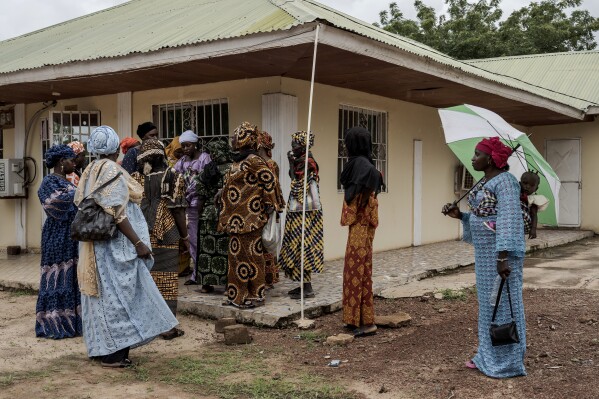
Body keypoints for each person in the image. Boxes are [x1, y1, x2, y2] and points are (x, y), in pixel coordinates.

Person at [75, 126, 178, 368]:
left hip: (95, 246)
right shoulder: (111, 169)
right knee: (119, 297)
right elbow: (117, 213)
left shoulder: (90, 169)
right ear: (114, 149)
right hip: (113, 247)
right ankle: (115, 354)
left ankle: (102, 348)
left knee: (101, 298)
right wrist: (139, 243)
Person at [442, 137, 526, 378]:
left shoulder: (507, 183)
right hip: (485, 256)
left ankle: (507, 362)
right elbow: (483, 219)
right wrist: (460, 216)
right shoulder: (484, 181)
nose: (472, 158)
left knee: (505, 306)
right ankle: (487, 355)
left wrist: (503, 258)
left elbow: (508, 221)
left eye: (477, 154)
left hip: (501, 257)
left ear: (490, 159)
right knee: (488, 306)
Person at [217, 122, 283, 308]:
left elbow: (270, 181)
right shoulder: (238, 160)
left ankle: (255, 296)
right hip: (235, 219)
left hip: (251, 218)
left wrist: (269, 206)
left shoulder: (254, 160)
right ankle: (236, 295)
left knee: (252, 258)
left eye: (236, 136)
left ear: (245, 138)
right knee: (236, 257)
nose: (232, 139)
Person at [132, 138, 188, 340]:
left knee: (147, 280)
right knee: (167, 281)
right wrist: (186, 237)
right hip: (167, 232)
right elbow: (179, 211)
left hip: (140, 234)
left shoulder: (134, 178)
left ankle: (147, 324)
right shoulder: (173, 175)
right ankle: (167, 328)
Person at [339, 126, 384, 338]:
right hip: (359, 227)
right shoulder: (360, 165)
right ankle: (357, 319)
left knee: (358, 271)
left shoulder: (362, 166)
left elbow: (373, 180)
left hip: (361, 226)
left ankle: (365, 322)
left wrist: (364, 199)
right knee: (357, 271)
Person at [35, 144, 82, 339]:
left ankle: (73, 322)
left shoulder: (68, 181)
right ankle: (54, 322)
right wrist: (80, 194)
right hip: (56, 237)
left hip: (71, 236)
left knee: (72, 276)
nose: (74, 163)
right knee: (58, 276)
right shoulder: (48, 182)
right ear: (62, 162)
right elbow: (55, 205)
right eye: (71, 160)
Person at [278, 131, 324, 299]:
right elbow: (293, 178)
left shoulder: (308, 163)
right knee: (296, 246)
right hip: (297, 211)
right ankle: (302, 285)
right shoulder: (299, 162)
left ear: (303, 146)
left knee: (302, 246)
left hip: (305, 213)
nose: (292, 149)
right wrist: (291, 163)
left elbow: (300, 186)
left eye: (295, 146)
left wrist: (294, 164)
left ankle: (308, 288)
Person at [192, 139, 232, 293]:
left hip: (208, 215)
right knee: (225, 250)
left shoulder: (207, 169)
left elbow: (200, 194)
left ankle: (206, 285)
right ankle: (228, 284)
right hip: (227, 214)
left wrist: (199, 213)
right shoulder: (233, 169)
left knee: (207, 250)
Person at [174, 130, 211, 284]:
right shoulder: (182, 161)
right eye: (183, 146)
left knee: (202, 241)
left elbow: (207, 180)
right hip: (187, 206)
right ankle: (196, 274)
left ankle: (202, 275)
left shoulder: (204, 158)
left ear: (195, 144)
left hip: (201, 204)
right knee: (192, 241)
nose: (185, 148)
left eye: (188, 145)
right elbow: (175, 176)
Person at [257, 130, 286, 287]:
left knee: (267, 240)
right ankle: (266, 277)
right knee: (265, 242)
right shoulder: (265, 163)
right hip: (266, 206)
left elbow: (273, 187)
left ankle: (267, 278)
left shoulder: (269, 164)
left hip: (266, 207)